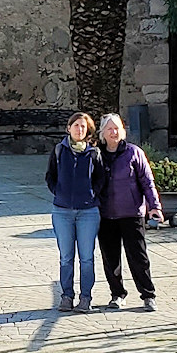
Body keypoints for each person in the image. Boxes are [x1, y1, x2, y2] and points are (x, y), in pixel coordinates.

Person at [97, 112, 164, 312]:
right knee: (111, 258)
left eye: (116, 128)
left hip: (131, 213)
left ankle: (148, 295)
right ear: (102, 132)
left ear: (123, 131)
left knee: (138, 257)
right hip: (105, 215)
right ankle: (117, 294)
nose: (113, 132)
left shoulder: (134, 153)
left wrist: (155, 207)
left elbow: (147, 182)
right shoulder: (96, 154)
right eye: (109, 128)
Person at [44, 112, 103, 313]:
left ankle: (85, 297)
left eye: (83, 126)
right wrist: (59, 192)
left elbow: (101, 178)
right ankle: (67, 296)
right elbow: (50, 176)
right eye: (76, 125)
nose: (79, 129)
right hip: (62, 211)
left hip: (88, 211)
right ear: (69, 128)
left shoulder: (94, 153)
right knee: (66, 257)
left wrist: (92, 193)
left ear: (88, 131)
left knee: (86, 257)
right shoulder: (59, 150)